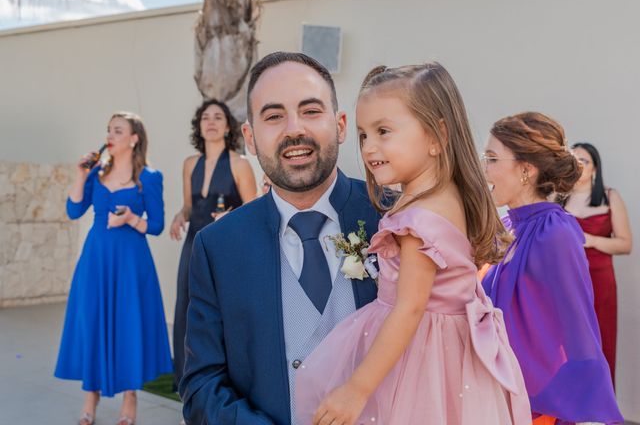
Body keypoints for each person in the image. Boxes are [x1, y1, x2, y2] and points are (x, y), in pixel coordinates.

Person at [296, 63, 531, 425]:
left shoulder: (417, 219)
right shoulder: (448, 196)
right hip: (453, 357)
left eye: (383, 131)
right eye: (363, 135)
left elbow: (409, 309)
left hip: (420, 359)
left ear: (437, 136)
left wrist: (356, 389)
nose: (369, 148)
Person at [179, 52, 380, 424]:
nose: (294, 130)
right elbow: (200, 383)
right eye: (274, 117)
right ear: (250, 138)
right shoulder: (217, 247)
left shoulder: (396, 218)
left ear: (340, 125)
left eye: (311, 111)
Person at [481, 113, 623, 425]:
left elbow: (578, 324)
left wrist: (590, 411)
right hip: (496, 390)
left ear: (526, 170)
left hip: (536, 403)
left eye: (492, 158)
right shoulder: (508, 225)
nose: (484, 168)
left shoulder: (554, 230)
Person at [55, 112, 173, 425]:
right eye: (108, 130)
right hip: (96, 259)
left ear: (134, 138)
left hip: (131, 263)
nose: (110, 135)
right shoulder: (96, 173)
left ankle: (130, 396)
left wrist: (131, 219)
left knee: (127, 324)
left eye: (118, 130)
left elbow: (158, 225)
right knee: (92, 321)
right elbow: (73, 209)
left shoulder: (149, 176)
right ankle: (90, 394)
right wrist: (81, 174)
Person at [169, 98, 257, 391]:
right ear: (199, 125)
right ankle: (187, 384)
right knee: (185, 308)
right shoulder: (189, 163)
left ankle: (223, 382)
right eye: (205, 117)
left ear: (227, 126)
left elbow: (253, 210)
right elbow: (188, 206)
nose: (211, 122)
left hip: (226, 248)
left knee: (222, 313)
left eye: (217, 117)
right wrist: (179, 217)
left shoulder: (239, 164)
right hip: (193, 243)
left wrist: (229, 218)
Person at [564, 142, 632, 387]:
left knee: (600, 341)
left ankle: (599, 417)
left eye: (584, 161)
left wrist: (591, 240)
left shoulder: (609, 196)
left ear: (594, 169)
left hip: (600, 280)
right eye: (573, 159)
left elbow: (625, 244)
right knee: (568, 344)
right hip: (567, 282)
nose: (578, 165)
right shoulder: (558, 198)